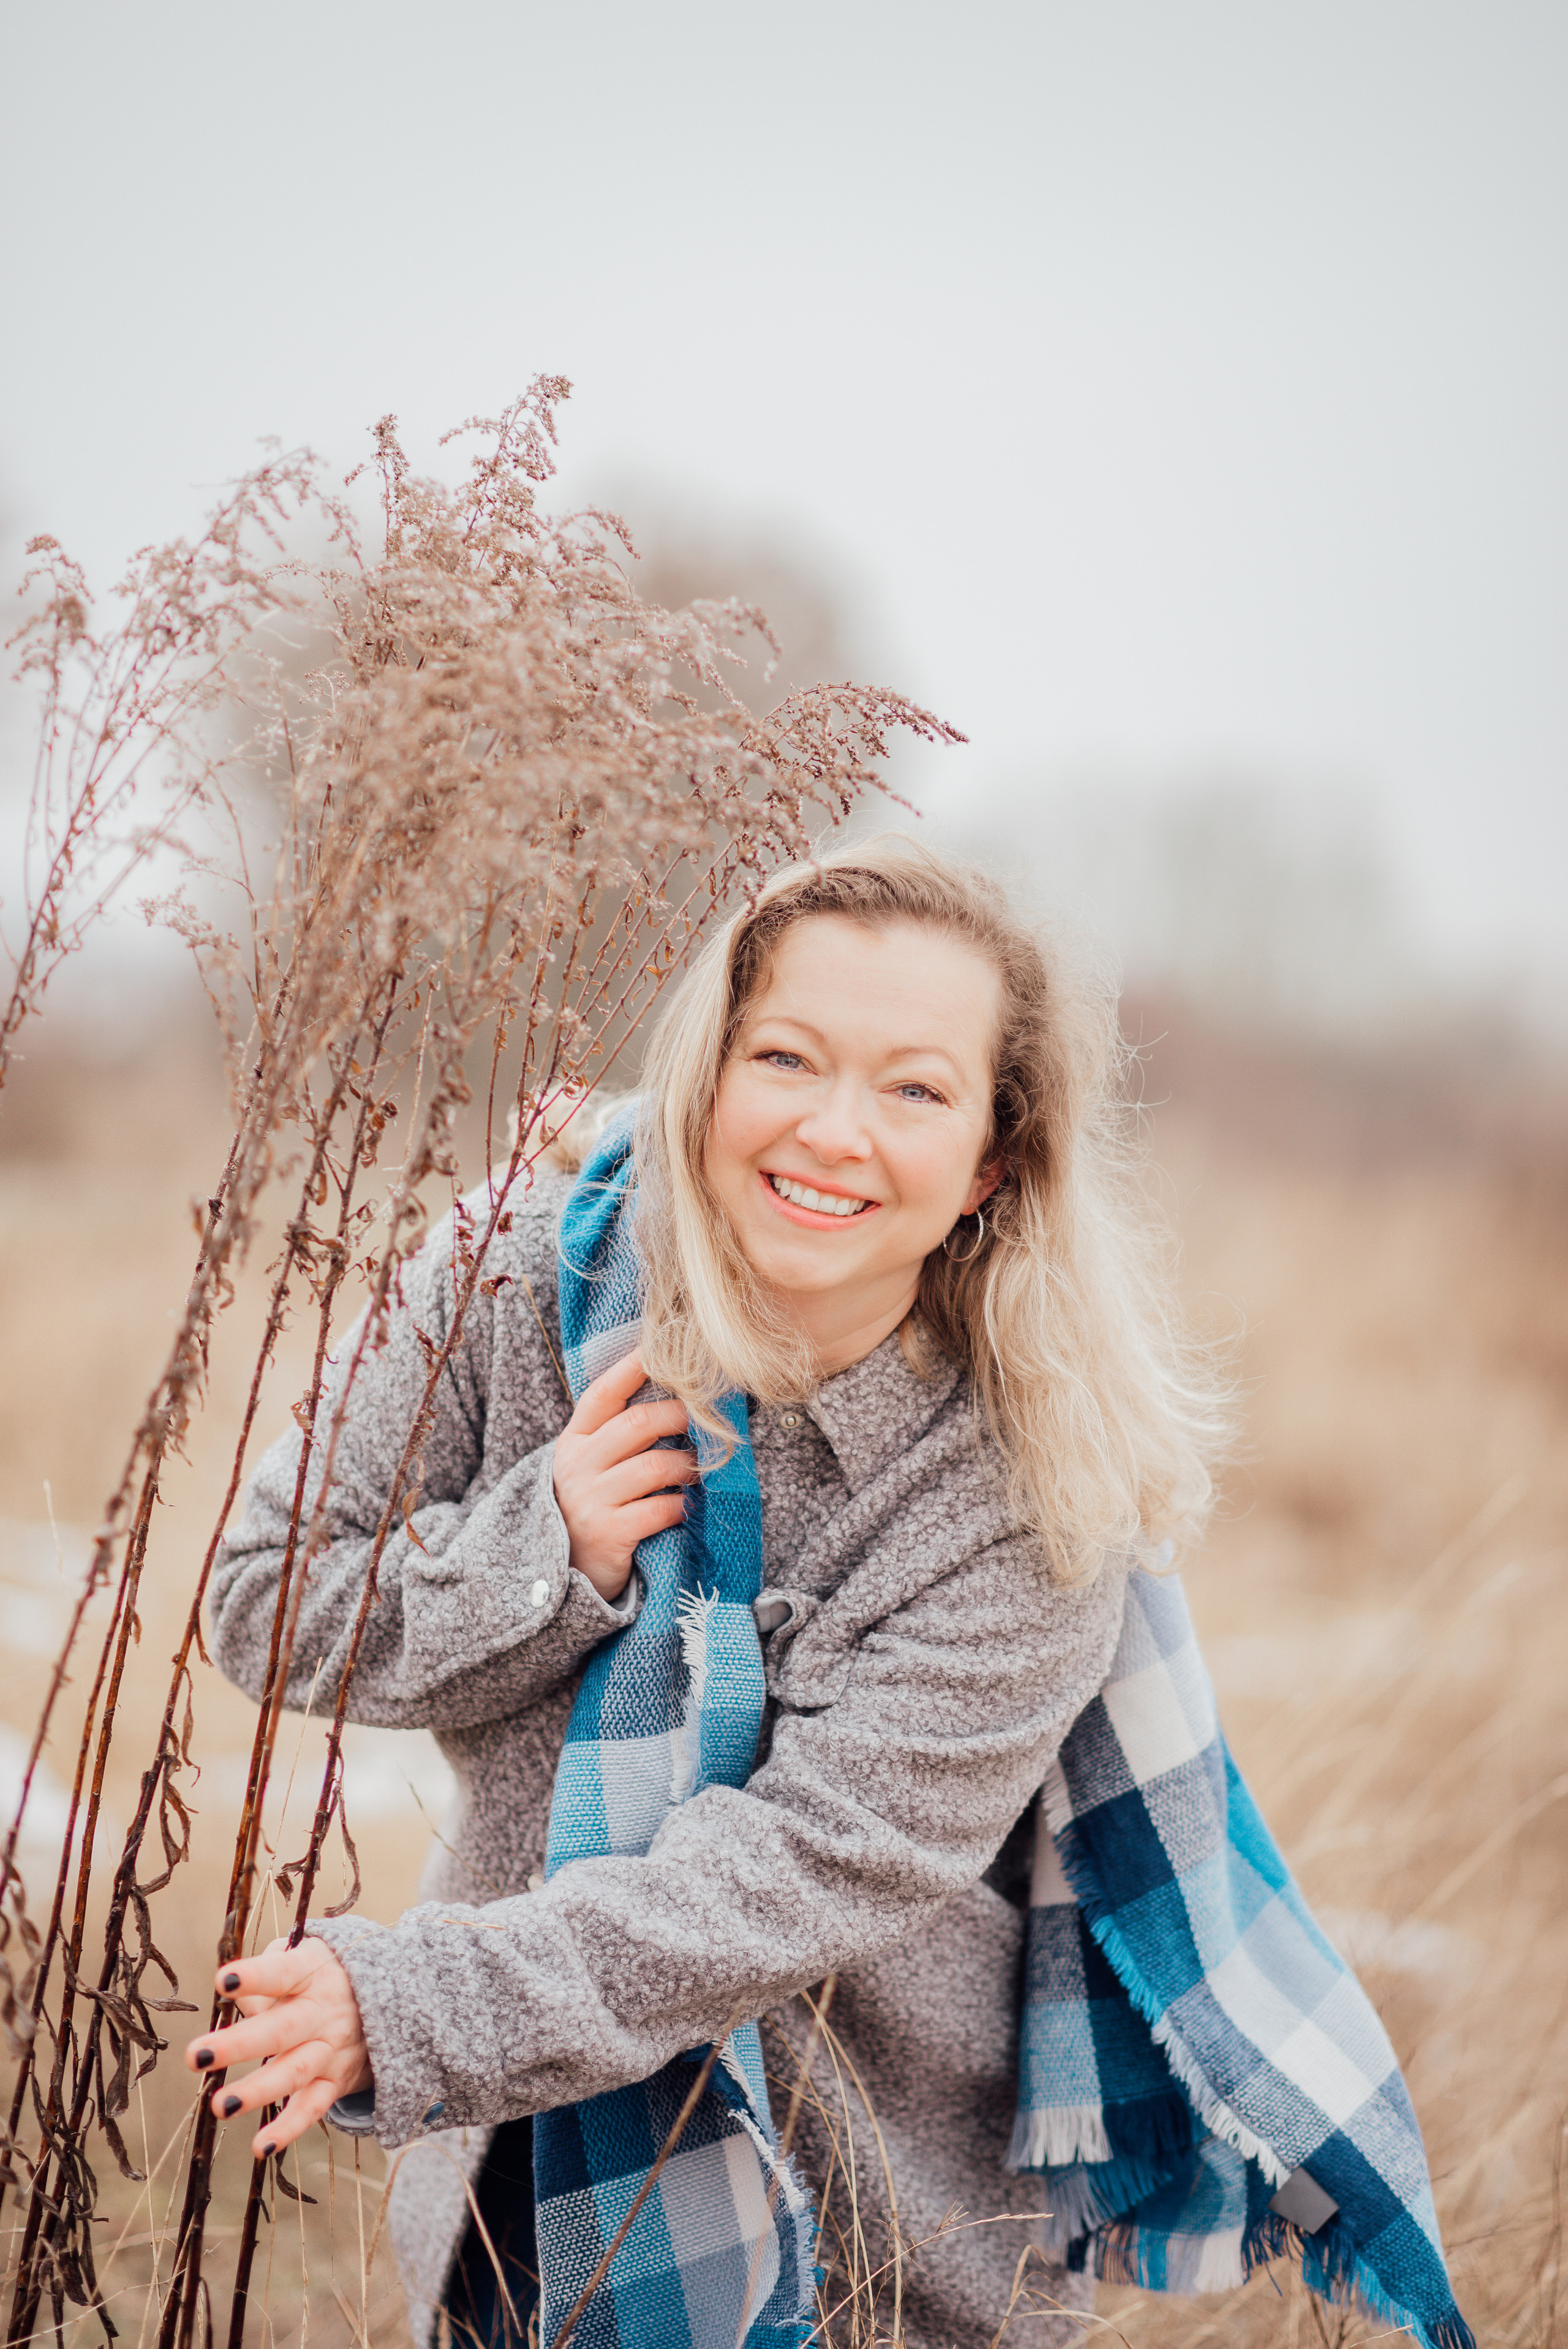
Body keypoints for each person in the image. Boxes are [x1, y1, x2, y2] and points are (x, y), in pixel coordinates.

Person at [192, 837, 1468, 2349]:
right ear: (705, 1080)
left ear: (993, 1160)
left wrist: (410, 2007)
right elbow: (266, 1599)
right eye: (784, 1056)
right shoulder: (514, 1279)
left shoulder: (1028, 1497)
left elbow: (784, 1875)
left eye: (916, 1090)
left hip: (879, 2251)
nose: (833, 1132)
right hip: (507, 2202)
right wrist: (546, 1546)